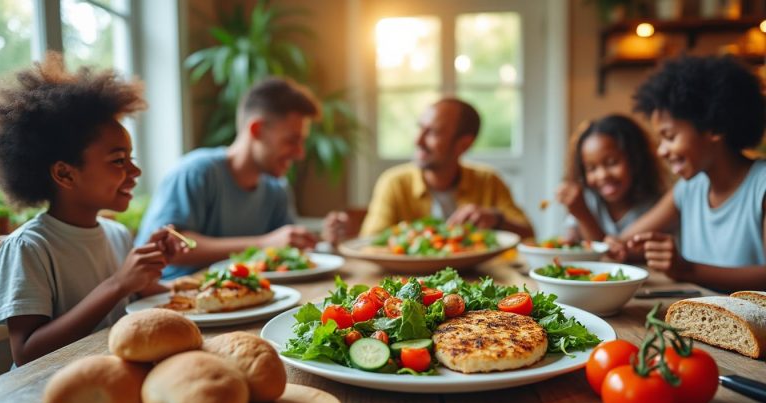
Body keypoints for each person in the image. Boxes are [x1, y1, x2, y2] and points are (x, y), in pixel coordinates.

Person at [0, 54, 185, 366]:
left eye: (131, 158)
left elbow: (136, 300)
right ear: (65, 174)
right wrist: (118, 283)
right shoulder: (29, 248)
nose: (134, 172)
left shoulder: (116, 233)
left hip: (114, 374)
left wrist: (151, 268)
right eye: (118, 160)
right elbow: (27, 352)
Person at [136, 77, 321, 279]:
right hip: (174, 296)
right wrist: (262, 244)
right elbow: (172, 244)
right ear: (257, 130)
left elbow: (286, 249)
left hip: (244, 296)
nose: (300, 153)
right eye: (292, 140)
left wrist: (324, 239)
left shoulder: (277, 188)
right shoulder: (196, 172)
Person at [616, 55, 766, 292]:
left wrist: (687, 270)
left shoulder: (761, 186)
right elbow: (626, 239)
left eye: (669, 137)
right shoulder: (690, 188)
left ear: (714, 127)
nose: (661, 151)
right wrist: (625, 247)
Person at [356, 98, 535, 238]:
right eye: (420, 128)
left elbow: (528, 234)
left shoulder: (489, 181)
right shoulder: (394, 182)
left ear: (463, 145)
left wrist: (497, 219)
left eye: (433, 132)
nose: (417, 140)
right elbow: (370, 241)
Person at [557, 114, 666, 242]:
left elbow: (609, 254)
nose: (602, 175)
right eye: (591, 168)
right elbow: (570, 242)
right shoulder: (586, 199)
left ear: (635, 160)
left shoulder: (655, 206)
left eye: (612, 162)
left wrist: (584, 215)